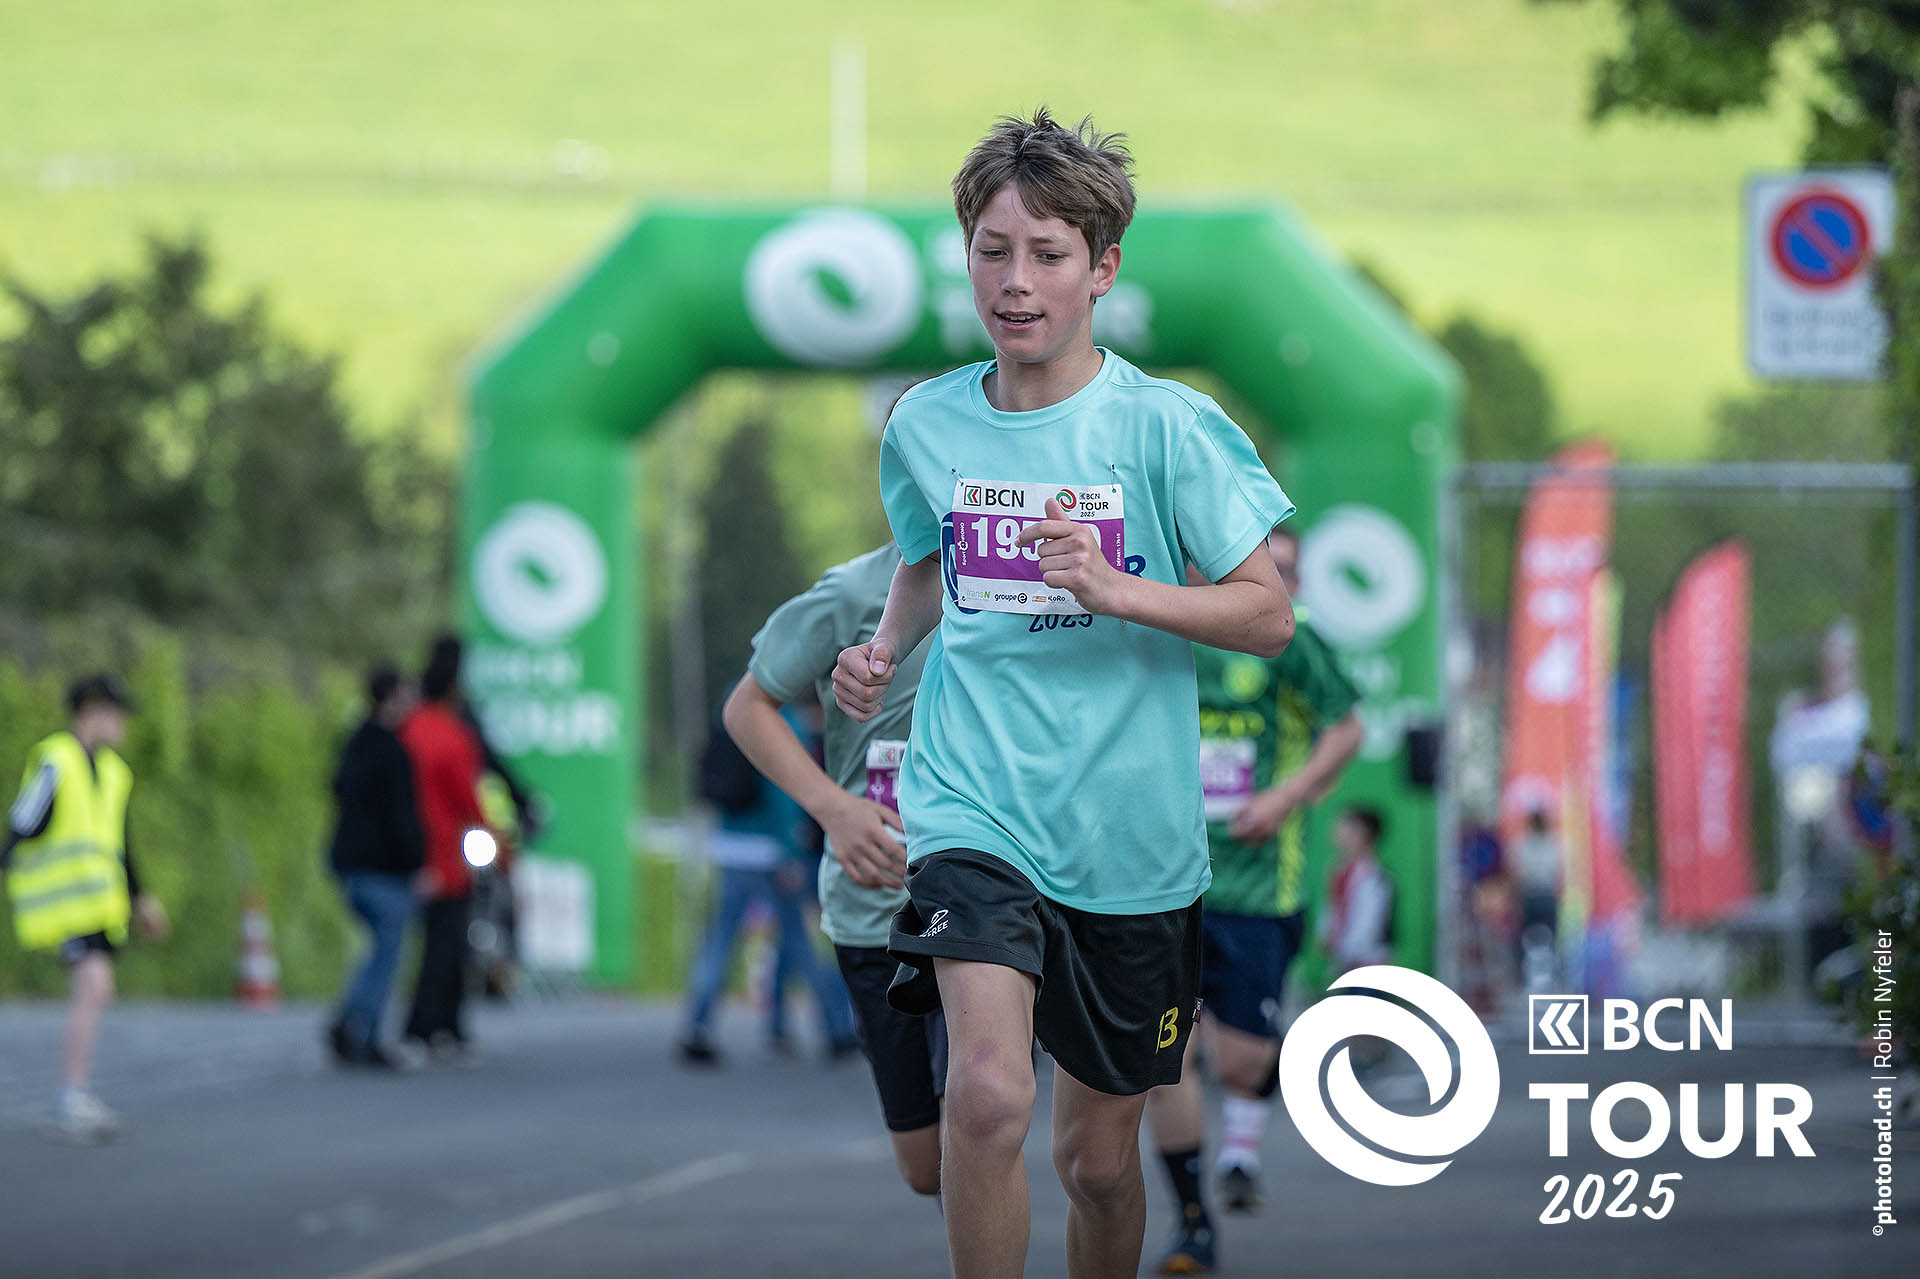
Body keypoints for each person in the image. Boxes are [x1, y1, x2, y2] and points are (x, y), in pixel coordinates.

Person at [834, 110, 1294, 1279]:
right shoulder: (926, 421)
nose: (1016, 282)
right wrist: (880, 649)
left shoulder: (1166, 428)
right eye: (992, 250)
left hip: (1130, 839)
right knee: (987, 1096)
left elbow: (1267, 613)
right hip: (974, 807)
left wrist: (1116, 589)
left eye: (1047, 254)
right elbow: (927, 561)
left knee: (1097, 1164)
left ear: (1102, 268)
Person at [1145, 524, 1363, 1274]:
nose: (1282, 583)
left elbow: (1347, 729)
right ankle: (1194, 1222)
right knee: (1167, 1062)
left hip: (1258, 886)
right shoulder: (1159, 620)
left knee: (1239, 1061)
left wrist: (1284, 797)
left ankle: (1246, 1118)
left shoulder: (1289, 639)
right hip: (1159, 881)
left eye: (1291, 571)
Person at [724, 542, 945, 1196]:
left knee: (986, 1110)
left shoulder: (1030, 580)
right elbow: (746, 707)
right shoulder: (852, 592)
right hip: (877, 906)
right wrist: (833, 808)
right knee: (927, 1165)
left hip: (993, 899)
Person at [1, 675, 169, 1142]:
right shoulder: (56, 759)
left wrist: (140, 898)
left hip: (97, 907)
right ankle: (70, 1097)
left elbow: (120, 845)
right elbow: (24, 821)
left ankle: (74, 1093)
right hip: (65, 907)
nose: (122, 723)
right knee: (93, 986)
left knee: (99, 990)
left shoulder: (114, 773)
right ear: (91, 711)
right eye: (117, 713)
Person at [678, 711, 859, 1064]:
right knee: (800, 942)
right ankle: (837, 1027)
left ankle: (697, 1027)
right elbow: (785, 793)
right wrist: (791, 852)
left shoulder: (731, 712)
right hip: (770, 850)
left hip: (730, 844)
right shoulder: (782, 720)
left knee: (719, 941)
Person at [324, 664, 427, 1068]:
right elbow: (402, 817)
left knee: (378, 947)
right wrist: (417, 860)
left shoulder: (355, 742)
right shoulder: (392, 751)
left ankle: (352, 1017)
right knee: (388, 950)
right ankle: (361, 1028)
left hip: (350, 863)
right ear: (392, 699)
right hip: (384, 868)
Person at [400, 635, 491, 1061]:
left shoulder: (408, 728)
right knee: (448, 944)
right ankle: (435, 1025)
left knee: (409, 942)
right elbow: (468, 801)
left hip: (407, 846)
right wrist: (495, 839)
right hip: (447, 852)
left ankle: (424, 1024)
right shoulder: (454, 737)